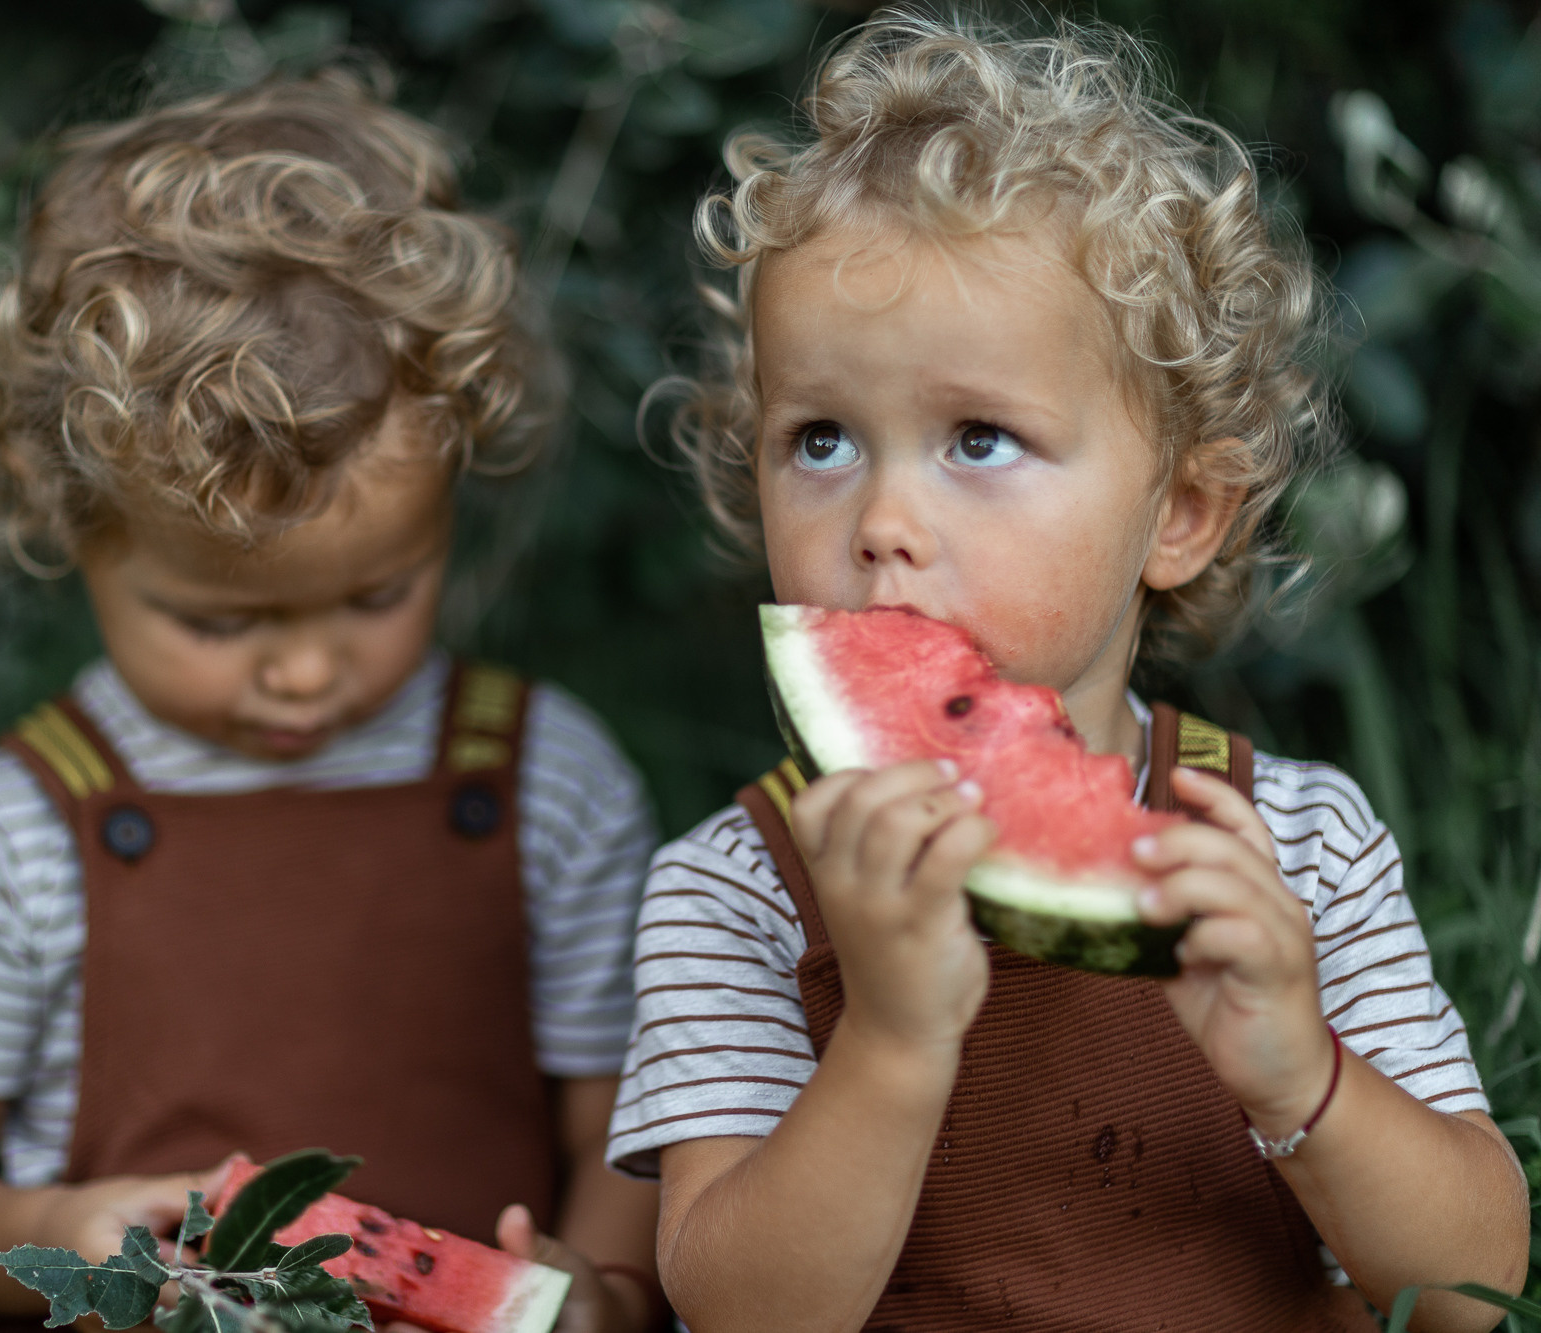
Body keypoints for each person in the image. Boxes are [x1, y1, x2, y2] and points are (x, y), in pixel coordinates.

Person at [606, 16, 1528, 1333]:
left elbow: (1468, 1294)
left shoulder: (1300, 847)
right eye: (818, 439)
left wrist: (1302, 1077)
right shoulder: (738, 889)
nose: (881, 519)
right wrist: (890, 1038)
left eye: (977, 436)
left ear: (1182, 515)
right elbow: (742, 1311)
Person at [0, 68, 663, 1333]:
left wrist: (603, 1295)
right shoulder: (19, 821)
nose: (303, 671)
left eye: (376, 595)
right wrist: (39, 1234)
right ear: (66, 517)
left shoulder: (546, 775)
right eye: (218, 622)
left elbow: (623, 1123)